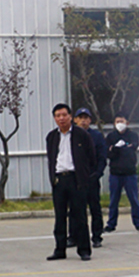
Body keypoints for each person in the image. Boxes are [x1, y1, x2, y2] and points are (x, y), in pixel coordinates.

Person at [44, 103, 95, 261]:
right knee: (60, 217)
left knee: (79, 216)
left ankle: (84, 249)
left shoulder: (81, 135)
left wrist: (85, 177)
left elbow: (91, 158)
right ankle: (60, 249)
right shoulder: (52, 137)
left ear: (70, 116)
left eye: (64, 115)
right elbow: (51, 158)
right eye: (58, 116)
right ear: (54, 118)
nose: (61, 118)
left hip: (76, 179)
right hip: (59, 179)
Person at [73, 108, 108, 247]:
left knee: (95, 208)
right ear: (75, 120)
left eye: (86, 118)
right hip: (75, 178)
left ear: (90, 120)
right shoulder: (71, 135)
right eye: (80, 118)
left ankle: (97, 236)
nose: (83, 121)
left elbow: (102, 157)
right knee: (75, 209)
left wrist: (97, 173)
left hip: (92, 178)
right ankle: (74, 236)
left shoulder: (97, 136)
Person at [105, 113, 139, 233]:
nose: (119, 124)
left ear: (127, 123)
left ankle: (138, 224)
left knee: (134, 200)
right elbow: (108, 153)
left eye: (122, 121)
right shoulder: (110, 136)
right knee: (113, 201)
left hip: (130, 173)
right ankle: (111, 224)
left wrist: (118, 148)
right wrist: (117, 149)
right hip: (115, 173)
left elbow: (132, 148)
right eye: (117, 122)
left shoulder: (133, 135)